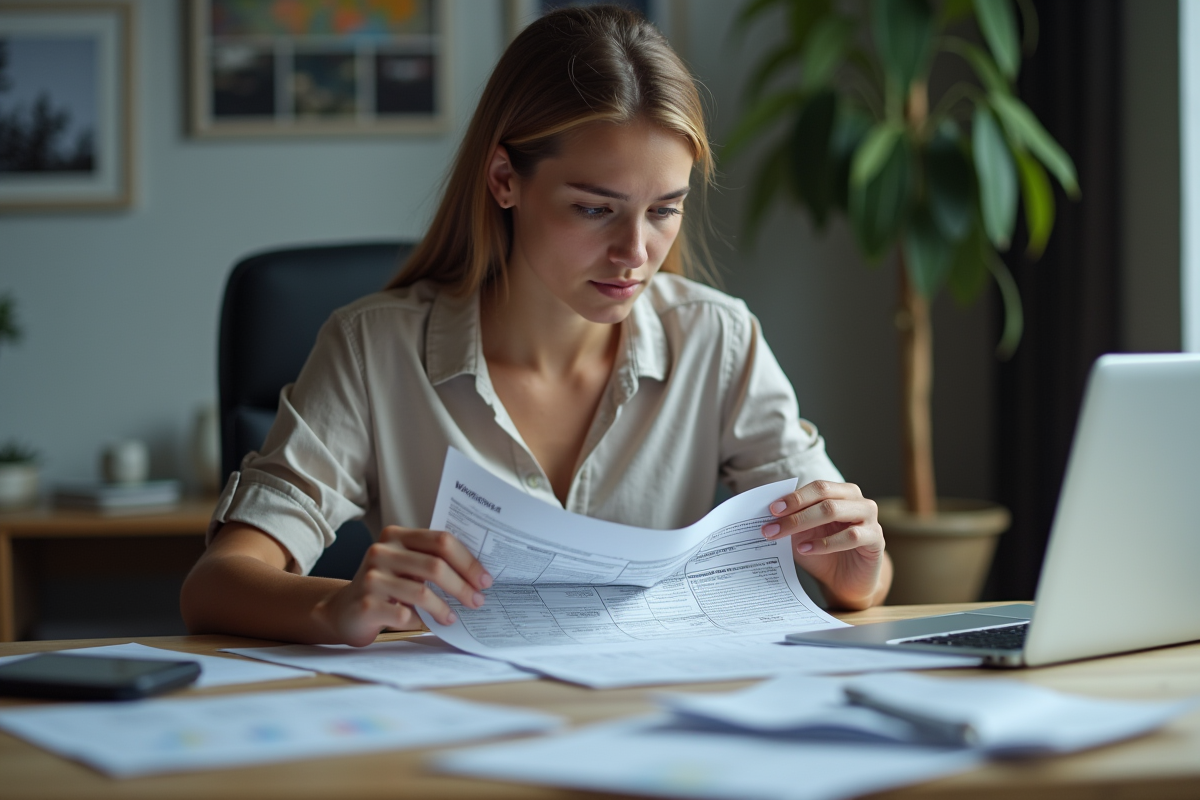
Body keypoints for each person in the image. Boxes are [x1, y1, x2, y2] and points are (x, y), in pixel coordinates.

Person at [180, 5, 892, 646]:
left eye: (665, 209)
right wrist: (332, 608)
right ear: (504, 180)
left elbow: (857, 580)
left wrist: (856, 570)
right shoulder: (373, 348)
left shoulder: (719, 340)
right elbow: (215, 585)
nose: (636, 253)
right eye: (594, 208)